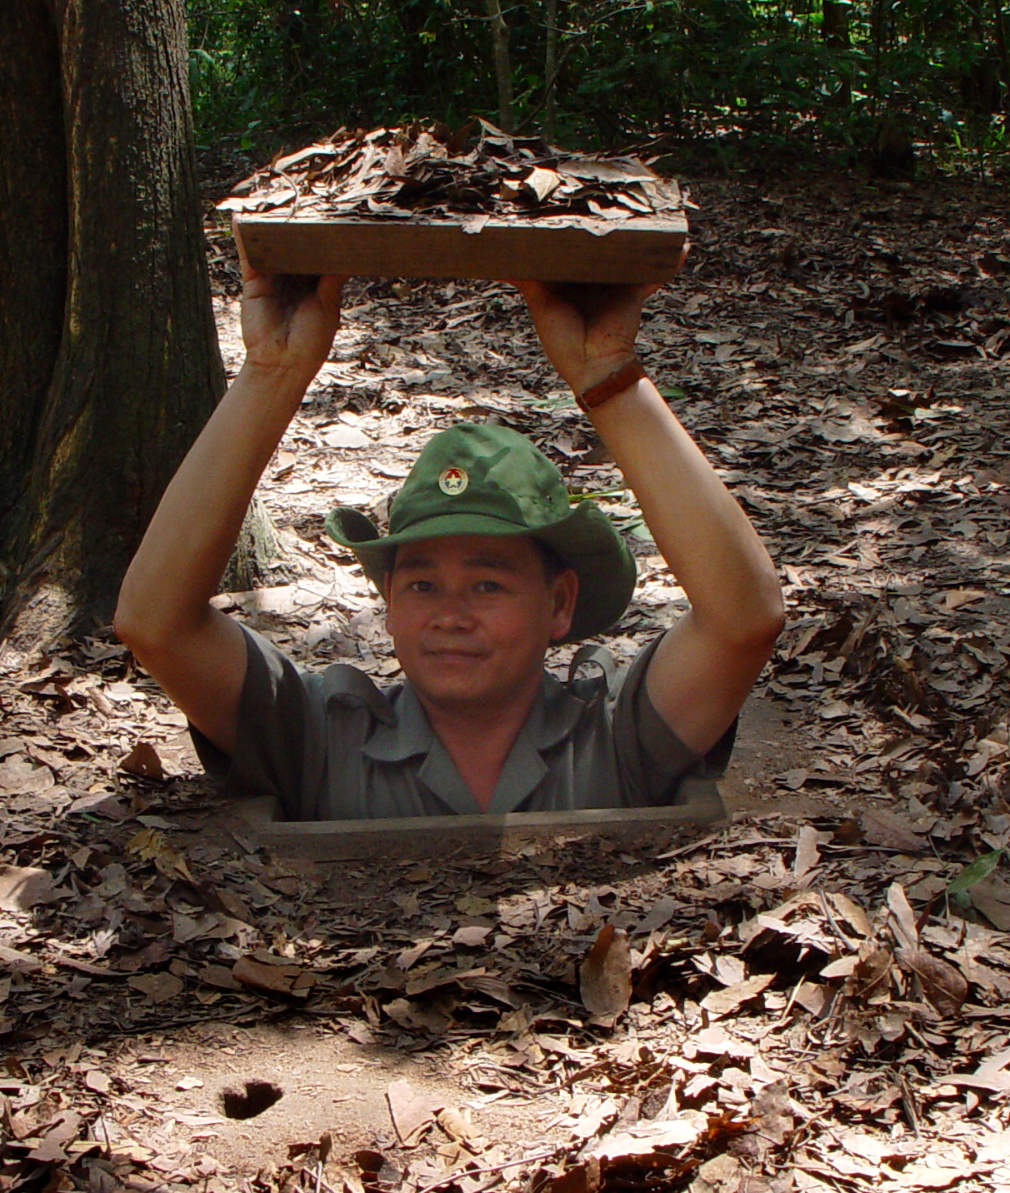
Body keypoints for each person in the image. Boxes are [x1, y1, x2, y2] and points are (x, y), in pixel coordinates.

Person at [114, 243, 784, 820]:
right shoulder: (320, 739)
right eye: (422, 585)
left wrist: (608, 375)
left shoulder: (614, 735)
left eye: (487, 584)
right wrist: (271, 373)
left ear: (558, 602)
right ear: (389, 602)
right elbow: (156, 624)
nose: (450, 615)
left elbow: (743, 620)